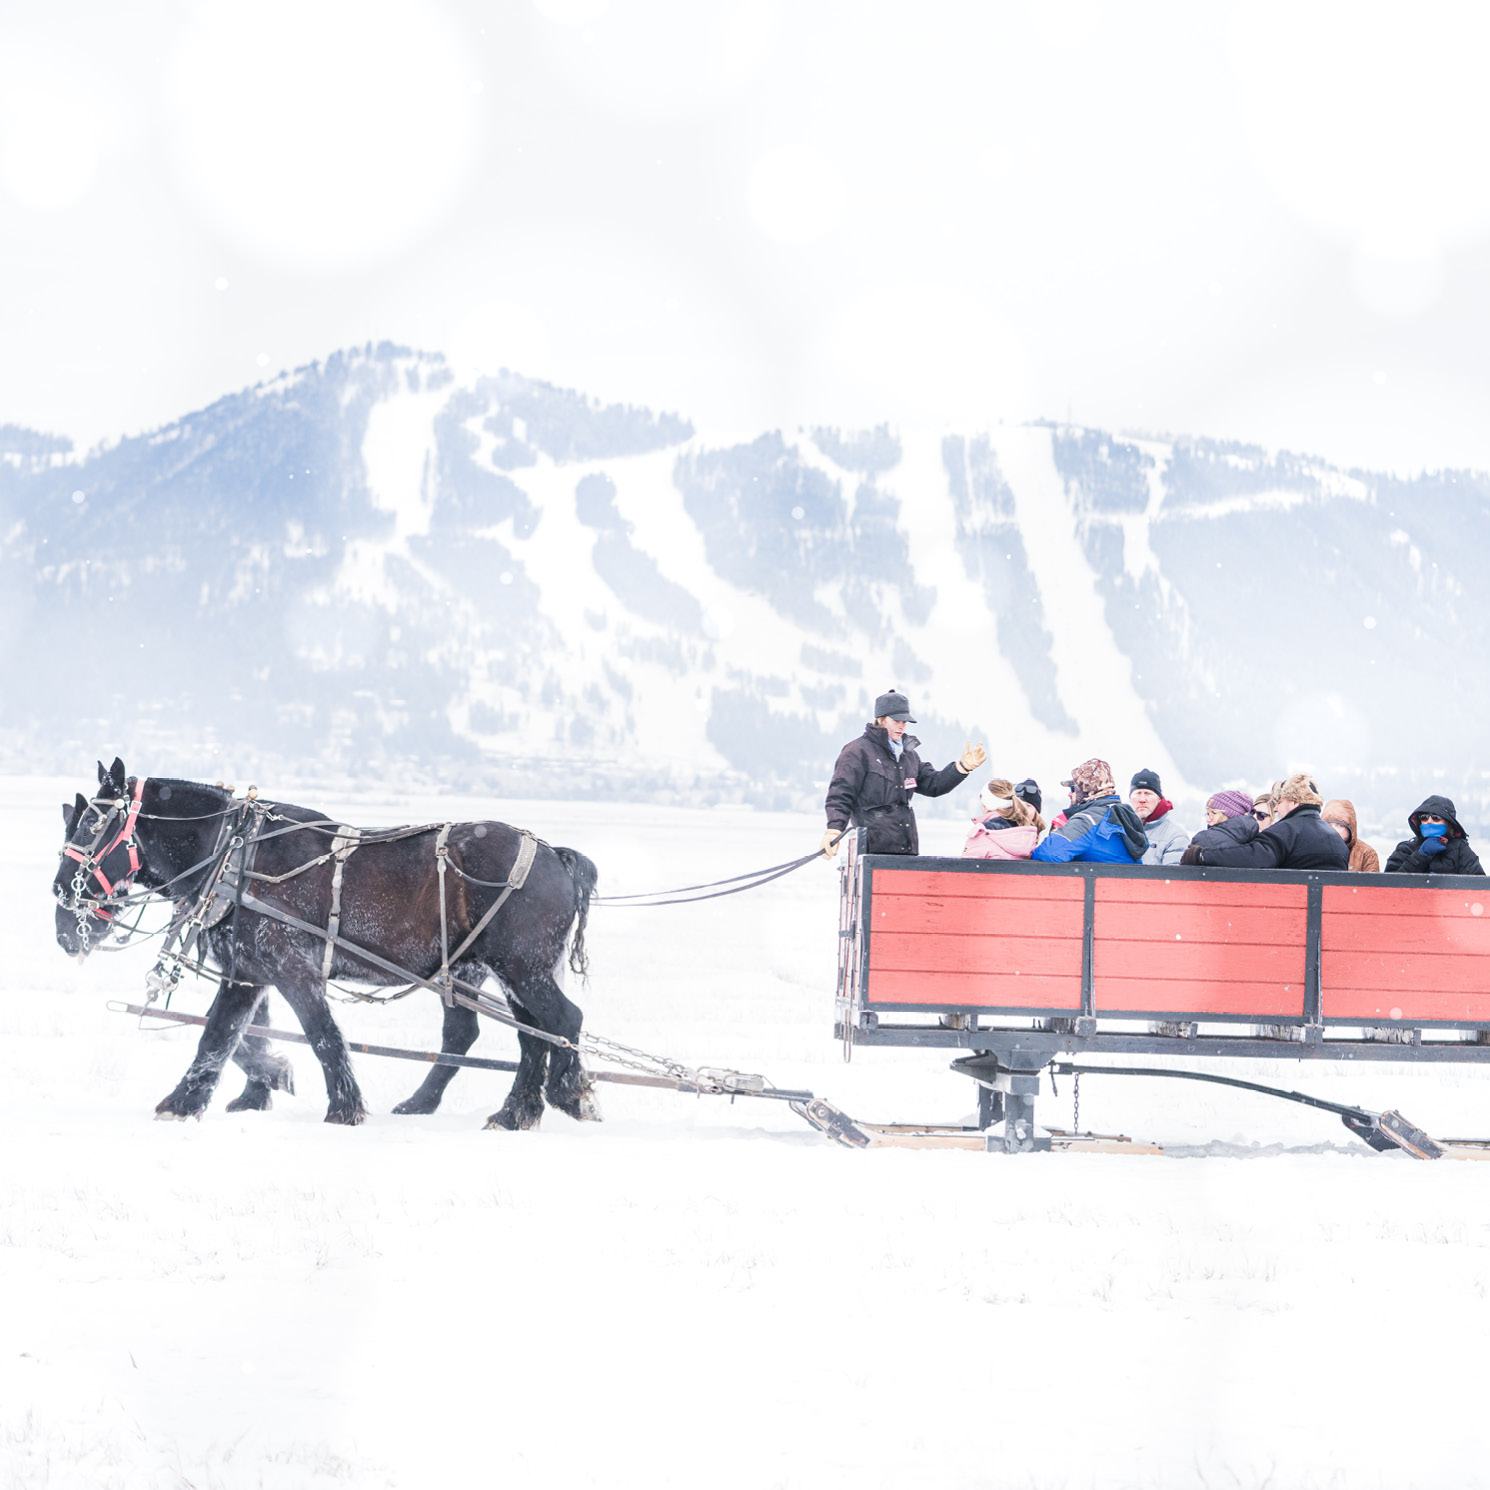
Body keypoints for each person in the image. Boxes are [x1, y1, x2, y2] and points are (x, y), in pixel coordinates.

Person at [821, 690, 986, 856]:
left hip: (907, 849)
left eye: (905, 721)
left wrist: (962, 767)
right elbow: (840, 793)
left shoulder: (909, 756)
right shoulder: (857, 752)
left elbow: (934, 785)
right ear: (880, 719)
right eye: (896, 720)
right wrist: (834, 829)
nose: (902, 725)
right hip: (872, 850)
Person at [1190, 773, 1348, 870]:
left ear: (1294, 803)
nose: (1277, 809)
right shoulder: (1336, 839)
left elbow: (1252, 857)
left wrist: (1203, 856)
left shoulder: (1287, 831)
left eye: (1280, 802)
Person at [1031, 758, 1147, 864]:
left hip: (1096, 885)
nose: (1069, 794)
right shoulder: (1124, 815)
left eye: (1074, 789)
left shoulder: (1088, 820)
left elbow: (1046, 853)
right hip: (1125, 884)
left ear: (1086, 789)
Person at [1384, 796, 1484, 875]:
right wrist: (1420, 856)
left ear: (1449, 823)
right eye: (1424, 817)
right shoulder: (1406, 848)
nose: (1429, 821)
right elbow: (1389, 884)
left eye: (1436, 817)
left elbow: (1478, 885)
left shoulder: (1461, 849)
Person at [962, 777, 1045, 860]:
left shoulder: (984, 833)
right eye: (1019, 804)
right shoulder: (1026, 840)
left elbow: (965, 868)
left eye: (1027, 806)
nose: (1022, 810)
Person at [1128, 768, 1188, 866]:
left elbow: (1173, 878)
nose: (1142, 799)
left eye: (1148, 793)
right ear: (1130, 798)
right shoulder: (1120, 830)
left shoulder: (1175, 836)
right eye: (1138, 793)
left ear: (1159, 799)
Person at [1180, 789, 1256, 865]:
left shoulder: (1204, 838)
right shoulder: (1254, 839)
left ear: (1229, 814)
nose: (1208, 819)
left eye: (1213, 813)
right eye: (1208, 813)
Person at [1321, 799, 1380, 873]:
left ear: (1351, 827)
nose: (1334, 830)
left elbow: (1372, 882)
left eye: (1340, 826)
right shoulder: (1315, 850)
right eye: (1329, 825)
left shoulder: (1367, 854)